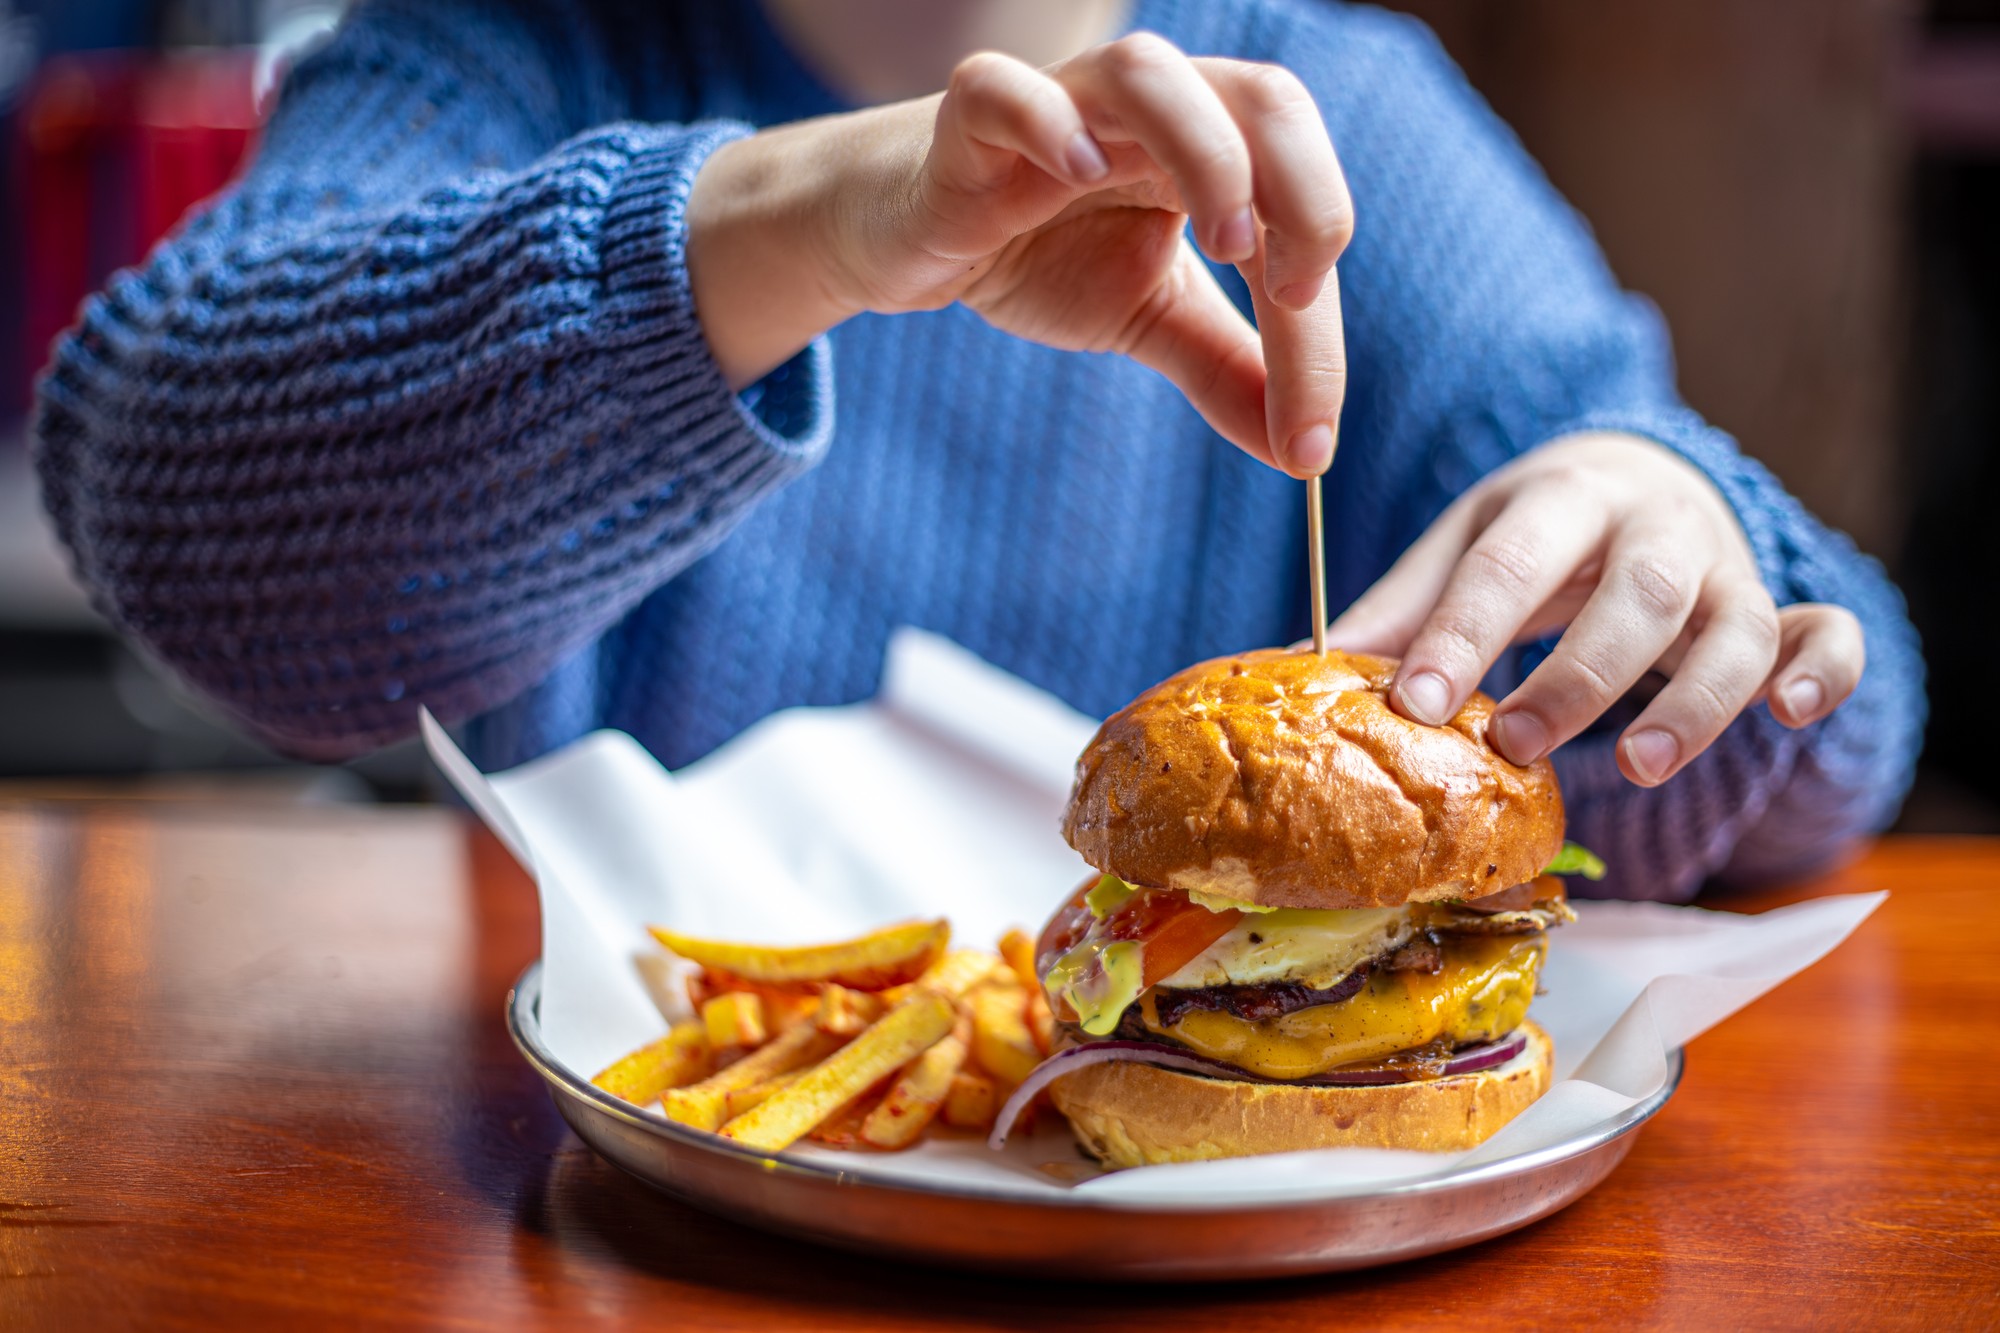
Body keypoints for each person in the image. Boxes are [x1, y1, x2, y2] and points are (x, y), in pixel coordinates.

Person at [32, 0, 1922, 901]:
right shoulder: (499, 55)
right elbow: (176, 514)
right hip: (595, 1199)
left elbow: (1821, 718)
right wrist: (803, 224)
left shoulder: (1348, 107)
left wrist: (1691, 558)